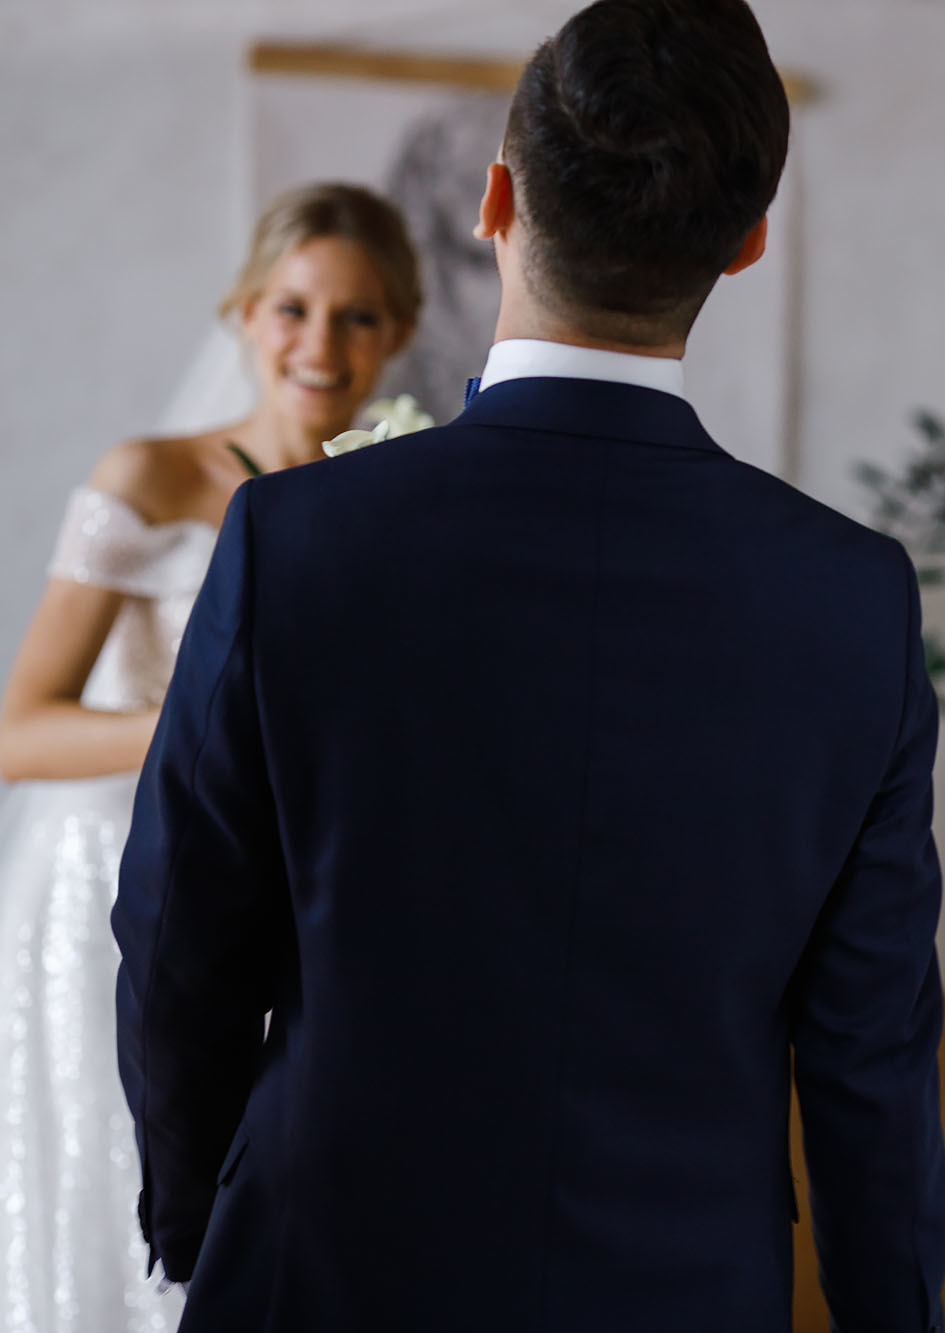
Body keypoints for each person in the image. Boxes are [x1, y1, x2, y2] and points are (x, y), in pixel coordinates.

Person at [109, 1, 945, 1328]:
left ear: (495, 201)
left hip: (323, 1269)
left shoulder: (296, 538)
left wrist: (195, 1221)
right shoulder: (852, 599)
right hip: (684, 1290)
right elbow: (871, 1053)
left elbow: (179, 939)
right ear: (747, 242)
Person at [0, 181, 418, 1333]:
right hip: (111, 890)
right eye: (293, 308)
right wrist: (202, 724)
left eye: (358, 316)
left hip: (286, 910)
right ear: (242, 313)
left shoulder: (392, 497)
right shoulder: (149, 479)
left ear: (400, 330)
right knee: (119, 1199)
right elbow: (18, 730)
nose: (320, 344)